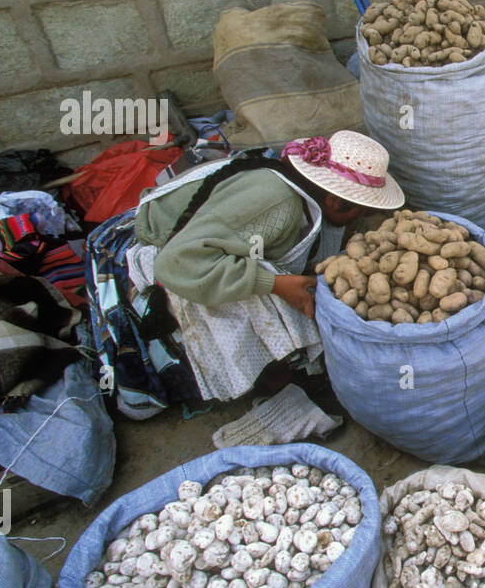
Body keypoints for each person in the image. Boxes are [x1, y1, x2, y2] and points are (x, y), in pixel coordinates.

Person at [130, 130, 405, 400]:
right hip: (172, 252)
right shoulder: (277, 203)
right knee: (269, 288)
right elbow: (175, 264)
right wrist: (274, 285)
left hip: (215, 235)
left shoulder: (311, 198)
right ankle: (271, 377)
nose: (366, 217)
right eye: (365, 209)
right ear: (334, 200)